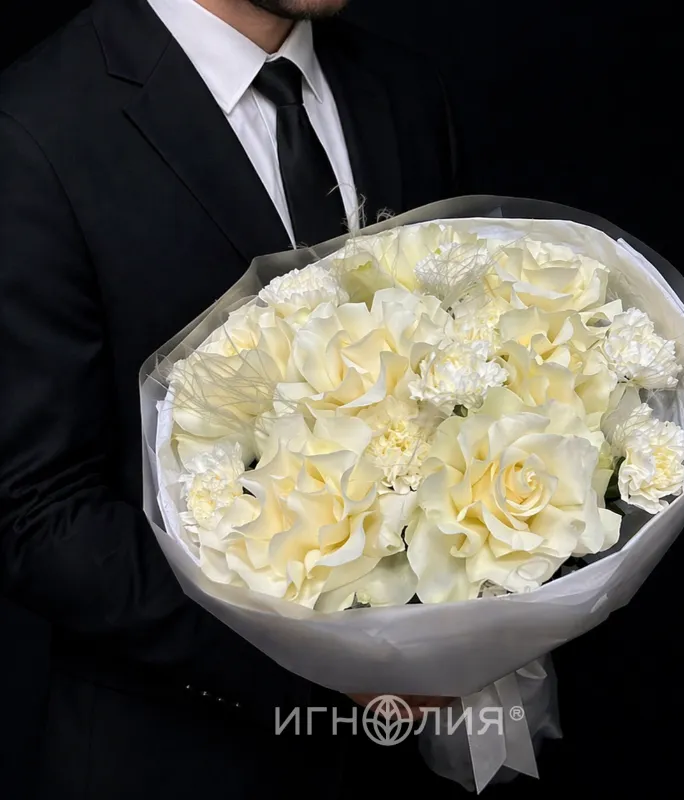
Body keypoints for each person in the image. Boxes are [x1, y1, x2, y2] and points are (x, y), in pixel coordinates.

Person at [0, 0, 460, 797]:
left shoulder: (403, 92)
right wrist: (330, 664)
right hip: (177, 759)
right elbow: (37, 510)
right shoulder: (36, 128)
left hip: (410, 762)